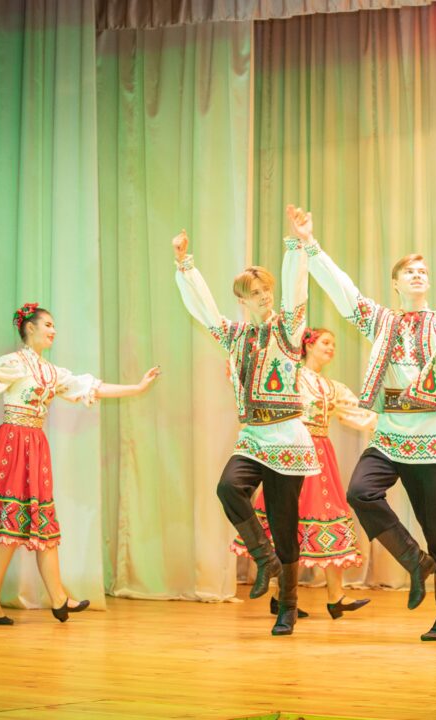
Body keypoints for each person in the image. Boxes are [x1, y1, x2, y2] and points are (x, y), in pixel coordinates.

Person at [296, 201, 436, 641]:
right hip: (389, 432)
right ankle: (414, 561)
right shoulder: (381, 321)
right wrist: (310, 245)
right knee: (361, 492)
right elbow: (344, 292)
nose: (418, 275)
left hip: (430, 436)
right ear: (395, 284)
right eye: (409, 272)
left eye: (423, 271)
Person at [0, 303, 160, 625]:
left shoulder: (52, 372)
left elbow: (92, 387)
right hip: (12, 446)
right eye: (48, 325)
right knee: (8, 527)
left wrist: (137, 387)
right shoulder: (13, 363)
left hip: (34, 448)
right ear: (30, 327)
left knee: (39, 524)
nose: (53, 330)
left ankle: (55, 597)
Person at [171, 205, 320, 636]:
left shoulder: (288, 329)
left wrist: (297, 247)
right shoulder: (235, 336)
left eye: (267, 289)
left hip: (287, 437)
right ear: (243, 299)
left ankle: (287, 607)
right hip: (254, 437)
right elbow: (204, 310)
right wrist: (184, 265)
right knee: (228, 488)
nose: (265, 296)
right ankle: (263, 558)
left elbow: (296, 294)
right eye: (256, 292)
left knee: (284, 523)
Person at [232, 327, 377, 619]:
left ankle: (335, 596)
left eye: (334, 344)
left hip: (321, 457)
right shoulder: (292, 377)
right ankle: (283, 596)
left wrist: (392, 424)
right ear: (308, 345)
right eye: (325, 342)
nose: (331, 348)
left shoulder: (331, 387)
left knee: (330, 518)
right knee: (289, 520)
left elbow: (358, 412)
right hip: (293, 453)